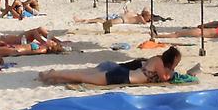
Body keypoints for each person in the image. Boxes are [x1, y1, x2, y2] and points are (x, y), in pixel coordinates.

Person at [38, 46, 181, 86]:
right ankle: (52, 74)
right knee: (84, 77)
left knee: (86, 77)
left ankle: (56, 78)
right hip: (122, 76)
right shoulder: (159, 62)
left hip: (123, 74)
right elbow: (164, 78)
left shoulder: (157, 60)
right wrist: (173, 69)